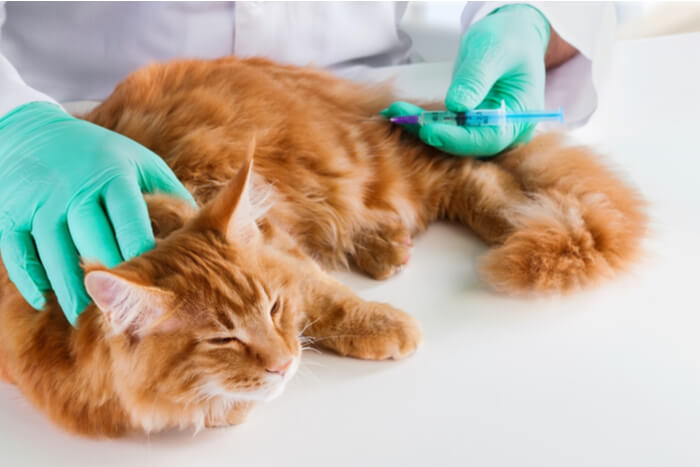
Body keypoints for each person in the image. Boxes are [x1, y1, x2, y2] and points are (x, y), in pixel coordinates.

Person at [0, 2, 616, 324]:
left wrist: (532, 15)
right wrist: (13, 122)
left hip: (341, 99)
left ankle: (382, 211)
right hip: (78, 135)